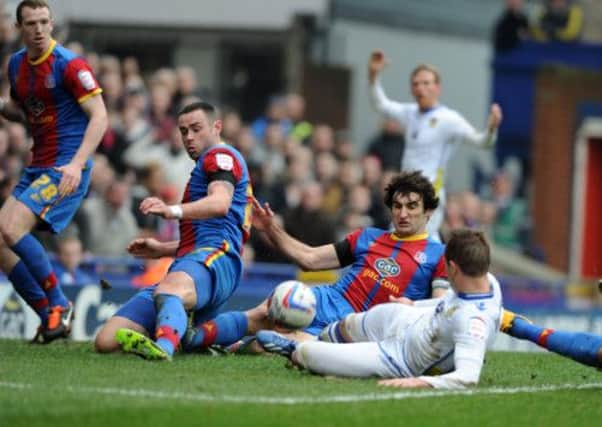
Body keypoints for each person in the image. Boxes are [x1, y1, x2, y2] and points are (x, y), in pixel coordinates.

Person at [182, 170, 450, 352]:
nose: (403, 213)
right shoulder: (368, 237)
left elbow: (439, 307)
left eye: (412, 206)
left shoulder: (439, 255)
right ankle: (191, 340)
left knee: (265, 344)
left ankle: (242, 346)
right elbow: (309, 258)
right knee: (266, 311)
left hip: (361, 326)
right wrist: (271, 228)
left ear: (428, 211)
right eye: (397, 206)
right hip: (329, 299)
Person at [94, 101, 253, 361]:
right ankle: (195, 337)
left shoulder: (220, 157)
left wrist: (173, 210)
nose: (189, 137)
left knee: (168, 291)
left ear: (217, 127)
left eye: (196, 128)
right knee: (107, 340)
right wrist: (163, 249)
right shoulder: (206, 165)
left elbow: (220, 203)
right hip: (192, 260)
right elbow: (206, 229)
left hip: (217, 258)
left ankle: (164, 348)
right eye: (183, 131)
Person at [257, 229, 503, 390]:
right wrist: (414, 304)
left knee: (310, 355)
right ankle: (327, 342)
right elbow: (450, 303)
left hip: (399, 358)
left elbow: (468, 378)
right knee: (346, 325)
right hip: (404, 319)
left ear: (454, 268)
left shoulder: (472, 322)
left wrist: (416, 383)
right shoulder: (488, 281)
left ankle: (293, 348)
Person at [0, 1, 107, 343]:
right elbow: (24, 111)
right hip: (38, 165)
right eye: (30, 23)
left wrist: (76, 164)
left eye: (44, 21)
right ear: (20, 28)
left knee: (12, 228)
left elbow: (100, 116)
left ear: (52, 23)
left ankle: (59, 302)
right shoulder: (16, 65)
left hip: (67, 166)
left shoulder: (69, 65)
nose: (39, 29)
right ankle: (50, 318)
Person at [368, 50, 502, 240]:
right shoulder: (410, 113)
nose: (421, 88)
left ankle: (458, 269)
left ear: (437, 88)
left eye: (426, 83)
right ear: (411, 90)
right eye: (416, 84)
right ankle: (445, 268)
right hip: (405, 193)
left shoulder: (448, 119)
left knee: (415, 242)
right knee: (409, 243)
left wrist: (491, 129)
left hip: (429, 194)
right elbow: (381, 105)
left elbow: (482, 142)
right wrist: (374, 76)